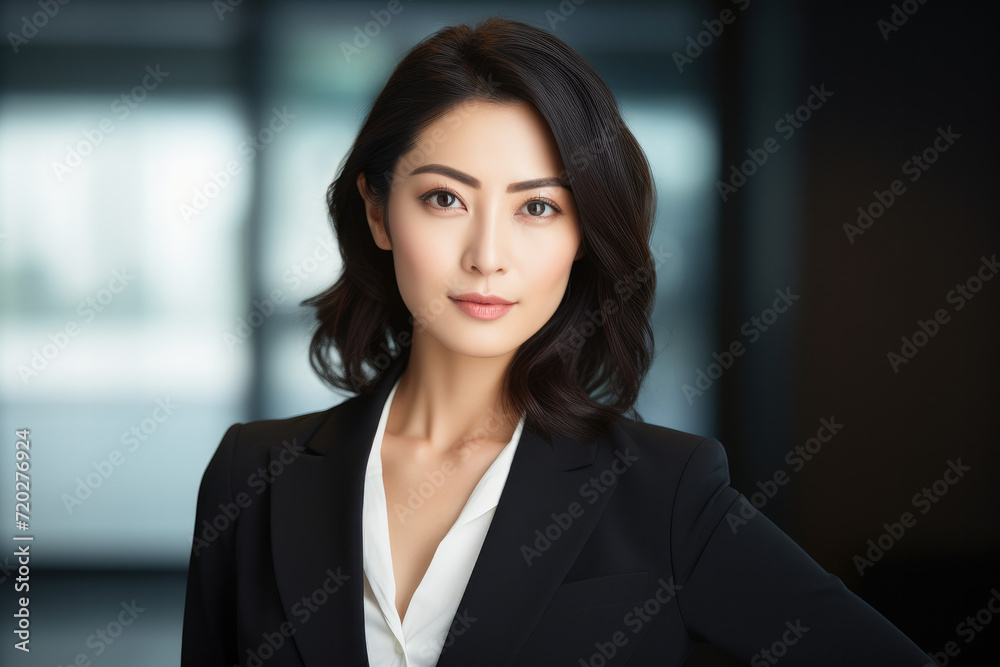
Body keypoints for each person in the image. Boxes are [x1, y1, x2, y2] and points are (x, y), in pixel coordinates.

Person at [181, 15, 932, 667]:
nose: (487, 255)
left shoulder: (667, 491)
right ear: (378, 212)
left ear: (582, 234)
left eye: (537, 207)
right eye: (444, 198)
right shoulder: (251, 475)